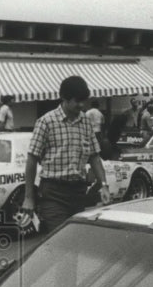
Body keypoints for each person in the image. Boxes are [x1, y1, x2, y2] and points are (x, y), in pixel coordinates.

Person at [21, 75, 111, 236]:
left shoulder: (86, 122)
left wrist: (104, 184)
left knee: (73, 244)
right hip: (53, 193)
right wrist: (28, 198)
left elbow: (95, 157)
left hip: (78, 193)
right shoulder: (46, 122)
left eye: (84, 100)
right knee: (59, 239)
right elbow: (32, 159)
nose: (81, 105)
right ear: (64, 98)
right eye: (77, 101)